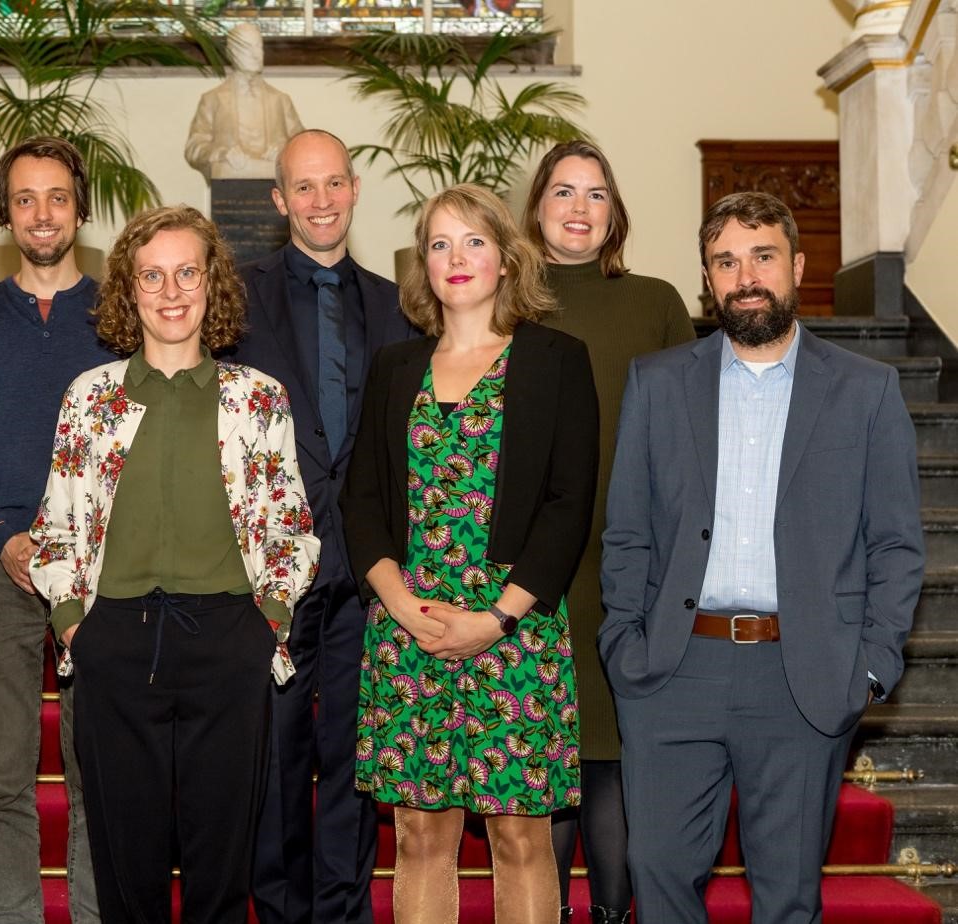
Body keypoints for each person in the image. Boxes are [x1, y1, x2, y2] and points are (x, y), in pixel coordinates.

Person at [600, 191, 924, 924]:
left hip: (803, 673)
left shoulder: (867, 392)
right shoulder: (657, 383)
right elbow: (628, 531)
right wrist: (626, 644)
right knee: (657, 872)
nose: (745, 275)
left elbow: (898, 544)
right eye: (725, 261)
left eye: (762, 256)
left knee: (786, 894)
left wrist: (869, 666)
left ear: (798, 267)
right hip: (674, 670)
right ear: (708, 279)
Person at [28, 205, 320, 924]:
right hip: (114, 638)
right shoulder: (89, 399)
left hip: (230, 637)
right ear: (127, 291)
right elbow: (55, 527)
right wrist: (73, 623)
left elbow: (291, 526)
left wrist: (269, 620)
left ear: (212, 282)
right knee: (128, 867)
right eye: (150, 275)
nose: (170, 290)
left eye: (187, 272)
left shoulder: (257, 399)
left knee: (223, 862)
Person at [343, 183, 597, 924]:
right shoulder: (394, 367)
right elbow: (362, 501)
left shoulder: (556, 360)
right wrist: (401, 605)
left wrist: (496, 618)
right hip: (410, 624)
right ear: (422, 265)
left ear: (508, 259)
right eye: (440, 244)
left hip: (513, 627)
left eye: (475, 241)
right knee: (421, 833)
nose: (458, 258)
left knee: (520, 835)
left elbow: (567, 503)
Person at [233, 127, 414, 924]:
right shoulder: (236, 297)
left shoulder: (399, 307)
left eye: (334, 183)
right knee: (273, 757)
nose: (321, 201)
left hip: (371, 571)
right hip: (269, 569)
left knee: (351, 760)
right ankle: (278, 912)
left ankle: (343, 914)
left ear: (355, 189)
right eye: (303, 188)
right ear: (279, 201)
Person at [0, 135, 111, 924]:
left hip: (103, 577)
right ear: (5, 213)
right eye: (25, 199)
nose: (42, 215)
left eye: (57, 197)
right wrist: (3, 531)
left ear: (81, 207)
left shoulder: (119, 314)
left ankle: (90, 911)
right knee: (3, 772)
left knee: (94, 771)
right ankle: (10, 914)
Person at [520, 139, 695, 924]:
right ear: (537, 208)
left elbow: (695, 435)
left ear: (614, 212)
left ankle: (615, 913)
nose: (579, 208)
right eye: (564, 192)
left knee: (614, 746)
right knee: (549, 751)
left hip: (633, 555)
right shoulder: (502, 301)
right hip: (534, 560)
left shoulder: (655, 301)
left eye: (596, 194)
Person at [184, 22, 304, 181]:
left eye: (258, 47)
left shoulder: (281, 100)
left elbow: (303, 144)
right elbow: (194, 148)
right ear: (231, 53)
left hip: (275, 185)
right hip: (229, 184)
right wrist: (221, 153)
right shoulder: (212, 99)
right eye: (247, 48)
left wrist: (285, 152)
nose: (256, 55)